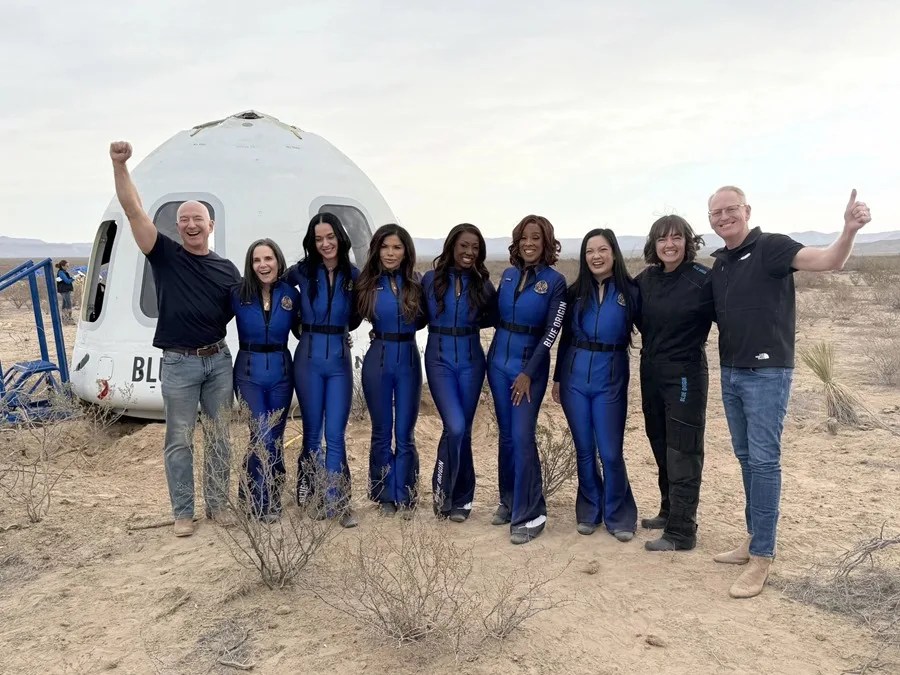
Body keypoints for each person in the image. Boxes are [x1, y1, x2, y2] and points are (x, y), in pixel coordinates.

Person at [708, 185, 871, 598]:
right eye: (716, 213)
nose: (723, 217)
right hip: (730, 373)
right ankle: (751, 537)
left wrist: (848, 230)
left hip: (766, 374)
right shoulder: (722, 264)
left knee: (764, 462)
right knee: (746, 459)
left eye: (730, 210)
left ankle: (763, 556)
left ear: (747, 210)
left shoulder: (771, 248)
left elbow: (828, 261)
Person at [109, 141, 240, 538]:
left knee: (219, 437)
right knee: (179, 439)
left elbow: (248, 311)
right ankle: (183, 512)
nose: (191, 224)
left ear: (211, 225)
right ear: (178, 225)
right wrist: (120, 165)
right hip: (179, 363)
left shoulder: (226, 270)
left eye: (198, 218)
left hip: (218, 361)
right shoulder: (163, 255)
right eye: (184, 219)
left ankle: (218, 507)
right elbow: (133, 211)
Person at [551, 229, 639, 542]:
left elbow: (655, 329)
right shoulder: (575, 293)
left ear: (613, 253)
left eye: (602, 249)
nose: (596, 256)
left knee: (611, 451)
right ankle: (589, 509)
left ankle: (619, 514)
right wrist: (558, 377)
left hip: (611, 378)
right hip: (575, 378)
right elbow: (565, 339)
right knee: (584, 449)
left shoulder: (631, 292)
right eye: (590, 251)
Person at [635, 216, 714, 552]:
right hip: (651, 370)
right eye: (663, 239)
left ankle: (682, 531)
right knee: (660, 442)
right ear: (654, 244)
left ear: (688, 242)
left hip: (686, 373)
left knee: (683, 449)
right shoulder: (646, 280)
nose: (670, 245)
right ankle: (669, 511)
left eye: (677, 238)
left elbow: (732, 315)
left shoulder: (703, 279)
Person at [488, 215, 567, 545]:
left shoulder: (556, 281)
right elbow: (492, 315)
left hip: (527, 369)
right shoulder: (507, 276)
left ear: (546, 242)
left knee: (522, 436)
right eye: (523, 237)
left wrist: (528, 374)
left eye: (536, 237)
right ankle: (509, 500)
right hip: (498, 363)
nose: (529, 243)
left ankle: (532, 513)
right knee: (506, 436)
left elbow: (552, 332)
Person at [285, 213, 361, 529]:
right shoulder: (300, 273)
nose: (325, 244)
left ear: (339, 237)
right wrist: (298, 325)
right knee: (313, 433)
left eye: (330, 237)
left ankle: (337, 500)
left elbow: (356, 315)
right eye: (318, 239)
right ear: (312, 243)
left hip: (340, 362)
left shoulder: (353, 275)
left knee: (336, 434)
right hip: (308, 361)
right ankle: (312, 494)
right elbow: (276, 295)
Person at [422, 224, 497, 522]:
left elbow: (495, 316)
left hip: (471, 362)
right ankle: (441, 493)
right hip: (439, 361)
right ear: (452, 245)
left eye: (475, 248)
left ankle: (462, 499)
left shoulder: (483, 284)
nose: (469, 252)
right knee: (453, 426)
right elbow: (414, 315)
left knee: (463, 430)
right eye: (464, 245)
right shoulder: (429, 280)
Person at [357, 224, 425, 517]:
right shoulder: (366, 284)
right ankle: (384, 494)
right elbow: (343, 317)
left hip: (408, 359)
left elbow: (426, 319)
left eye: (397, 247)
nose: (390, 253)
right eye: (385, 247)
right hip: (378, 359)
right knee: (382, 431)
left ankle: (406, 494)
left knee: (405, 432)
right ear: (377, 249)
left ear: (406, 251)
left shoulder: (417, 283)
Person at [231, 239, 299, 523]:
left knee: (275, 437)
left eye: (268, 258)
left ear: (278, 261)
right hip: (248, 373)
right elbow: (208, 318)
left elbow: (305, 328)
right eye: (257, 260)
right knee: (261, 434)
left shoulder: (290, 295)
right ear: (251, 264)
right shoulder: (237, 294)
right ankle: (261, 501)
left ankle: (259, 492)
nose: (263, 265)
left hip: (282, 374)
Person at [54, 260, 76, 324]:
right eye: (67, 266)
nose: (67, 267)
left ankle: (65, 319)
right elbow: (67, 281)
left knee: (65, 303)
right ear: (62, 266)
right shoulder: (61, 272)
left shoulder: (63, 272)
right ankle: (69, 319)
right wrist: (74, 278)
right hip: (64, 290)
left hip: (65, 290)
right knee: (68, 304)